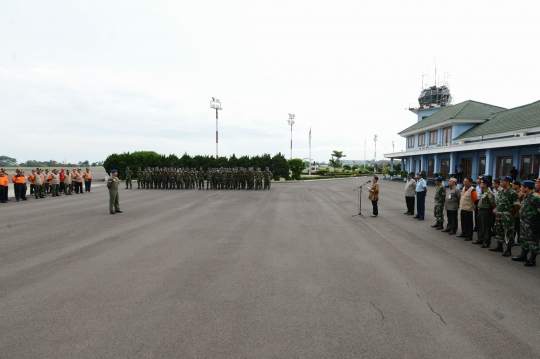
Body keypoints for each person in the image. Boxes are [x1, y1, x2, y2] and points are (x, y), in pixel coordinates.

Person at [489, 176, 519, 257]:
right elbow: (499, 202)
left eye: (503, 181)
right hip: (499, 214)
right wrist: (496, 210)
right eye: (500, 181)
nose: (501, 183)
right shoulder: (501, 191)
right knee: (498, 230)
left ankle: (508, 249)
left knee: (509, 232)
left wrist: (511, 213)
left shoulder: (513, 192)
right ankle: (499, 246)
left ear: (508, 182)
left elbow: (516, 205)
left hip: (508, 216)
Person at [515, 180, 540, 266]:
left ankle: (532, 259)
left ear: (527, 188)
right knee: (524, 239)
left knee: (533, 241)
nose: (520, 188)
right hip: (524, 222)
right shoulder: (526, 196)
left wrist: (536, 222)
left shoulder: (535, 198)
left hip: (531, 223)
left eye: (522, 187)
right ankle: (523, 255)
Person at [473, 178, 496, 247]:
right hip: (480, 210)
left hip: (486, 211)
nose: (480, 185)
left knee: (486, 227)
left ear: (485, 185)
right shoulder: (483, 192)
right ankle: (480, 239)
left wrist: (490, 209)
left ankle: (486, 241)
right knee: (480, 225)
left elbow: (493, 203)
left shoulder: (489, 193)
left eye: (482, 184)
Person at [458, 177, 477, 241]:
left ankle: (469, 235)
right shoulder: (463, 188)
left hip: (468, 208)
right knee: (463, 221)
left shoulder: (473, 190)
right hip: (463, 207)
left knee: (469, 223)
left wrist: (474, 207)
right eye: (464, 181)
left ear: (470, 182)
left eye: (466, 181)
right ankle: (464, 233)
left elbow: (475, 200)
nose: (464, 182)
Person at [512, 180, 524, 246]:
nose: (513, 186)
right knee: (514, 227)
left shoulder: (521, 193)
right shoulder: (513, 192)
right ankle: (513, 239)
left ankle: (519, 240)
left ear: (518, 186)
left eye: (514, 185)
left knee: (519, 227)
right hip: (514, 213)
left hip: (519, 213)